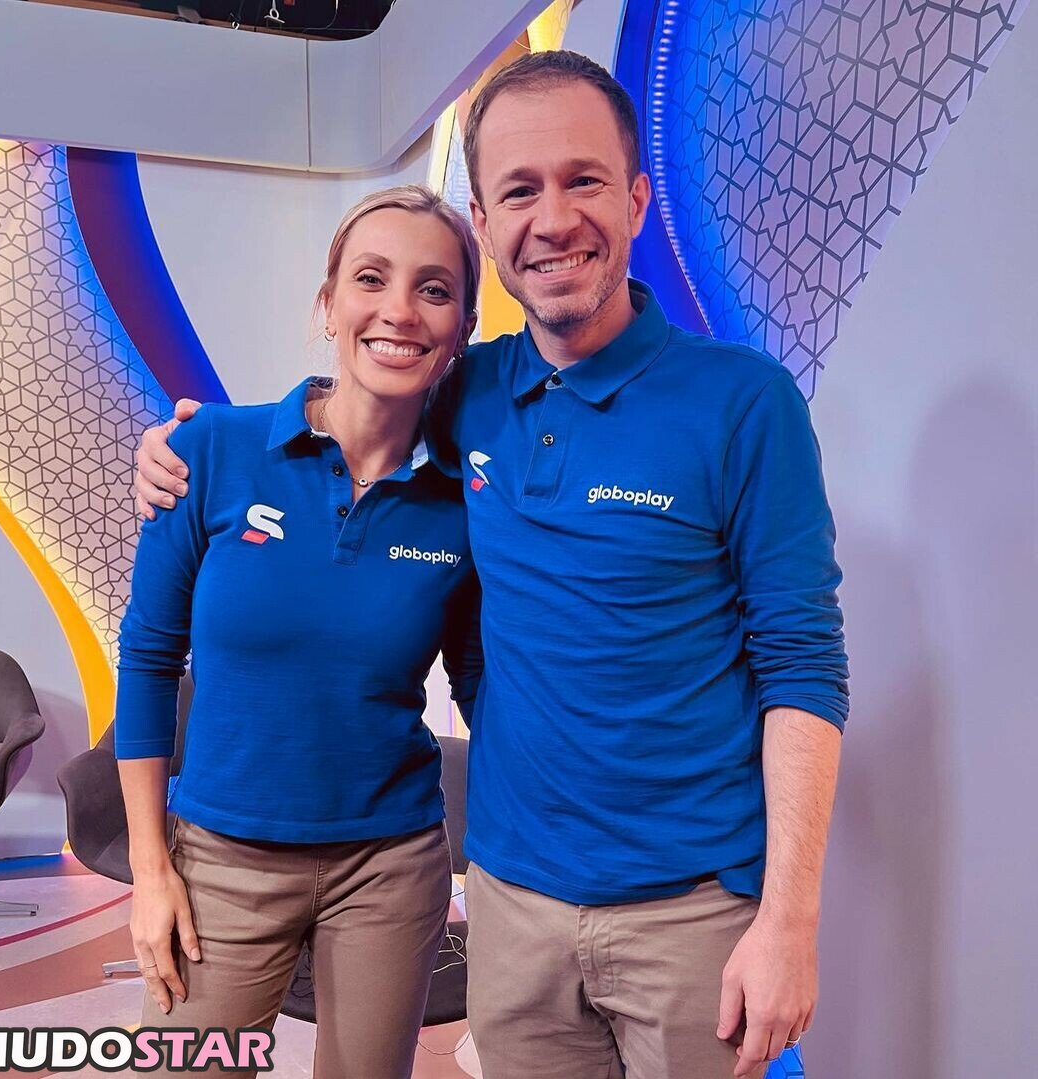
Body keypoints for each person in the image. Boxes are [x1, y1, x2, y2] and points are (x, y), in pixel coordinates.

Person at [136, 51, 849, 1079]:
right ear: (485, 218)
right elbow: (356, 401)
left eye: (583, 180)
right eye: (519, 190)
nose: (552, 219)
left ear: (636, 198)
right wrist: (183, 447)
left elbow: (803, 664)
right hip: (513, 905)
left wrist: (790, 919)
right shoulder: (463, 394)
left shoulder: (744, 402)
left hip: (694, 911)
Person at [117, 184, 483, 1079]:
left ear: (463, 329)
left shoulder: (464, 503)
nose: (400, 309)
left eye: (434, 289)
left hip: (390, 863)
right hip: (220, 861)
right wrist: (150, 869)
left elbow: (483, 686)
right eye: (371, 278)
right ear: (328, 305)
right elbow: (149, 657)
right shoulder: (208, 449)